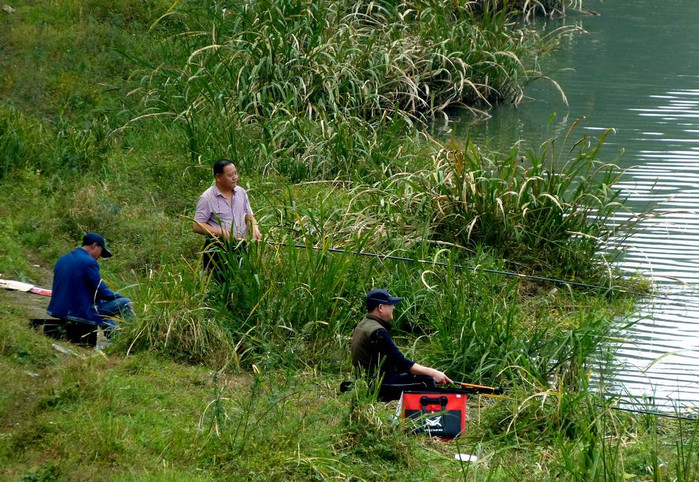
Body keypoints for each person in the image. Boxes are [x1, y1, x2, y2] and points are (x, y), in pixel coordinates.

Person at [351, 288, 453, 401]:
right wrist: (433, 373)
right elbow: (402, 363)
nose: (393, 307)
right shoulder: (378, 332)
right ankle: (424, 417)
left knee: (420, 376)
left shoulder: (363, 324)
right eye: (390, 304)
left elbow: (393, 362)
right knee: (425, 381)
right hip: (375, 385)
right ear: (380, 307)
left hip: (363, 382)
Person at [47, 232, 133, 331]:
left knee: (101, 308)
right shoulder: (89, 262)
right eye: (101, 251)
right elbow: (102, 291)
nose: (100, 256)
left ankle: (116, 338)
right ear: (94, 246)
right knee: (125, 303)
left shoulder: (62, 259)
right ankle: (131, 337)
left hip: (57, 310)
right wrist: (119, 297)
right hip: (78, 312)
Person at [192, 159, 262, 271]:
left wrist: (254, 228)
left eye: (235, 173)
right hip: (218, 249)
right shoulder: (207, 198)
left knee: (241, 280)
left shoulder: (241, 192)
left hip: (241, 245)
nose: (235, 177)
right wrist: (221, 232)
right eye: (230, 175)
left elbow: (249, 216)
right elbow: (197, 225)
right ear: (219, 177)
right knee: (221, 284)